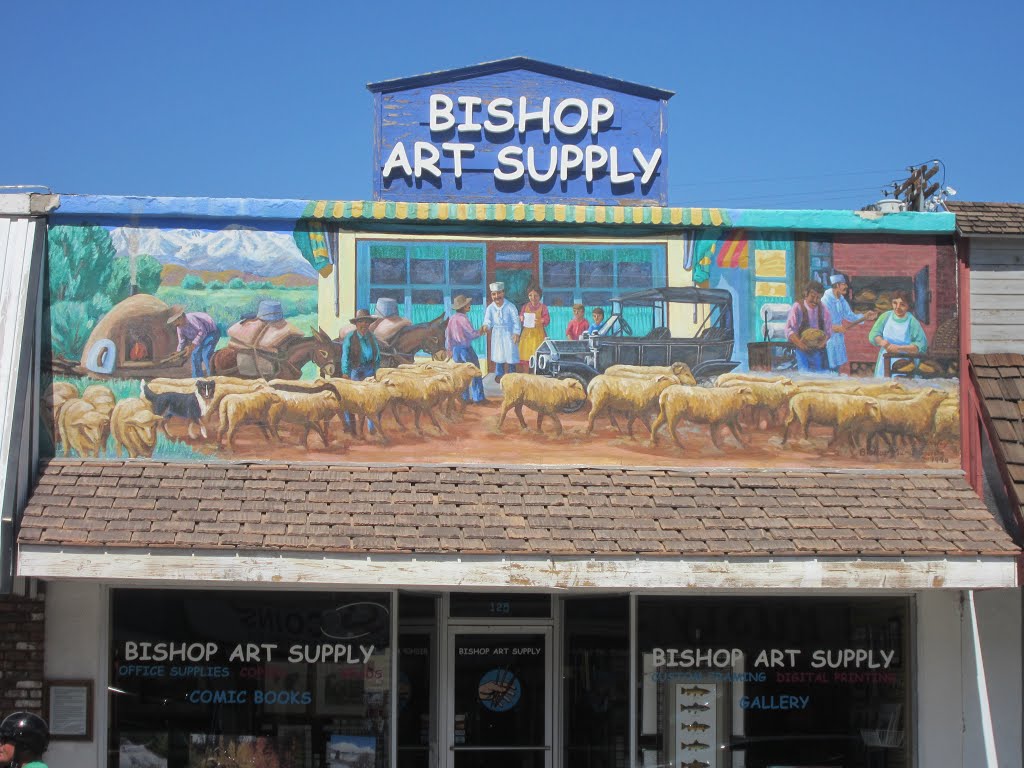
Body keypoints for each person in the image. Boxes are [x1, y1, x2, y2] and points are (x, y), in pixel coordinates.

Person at [820, 274, 877, 375]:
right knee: (828, 364)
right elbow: (820, 322)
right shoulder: (825, 301)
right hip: (827, 337)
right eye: (843, 284)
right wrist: (833, 327)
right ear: (837, 285)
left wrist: (865, 316)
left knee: (836, 365)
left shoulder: (841, 300)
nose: (846, 286)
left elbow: (850, 316)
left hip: (838, 336)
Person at [869, 290, 928, 377]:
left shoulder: (912, 321)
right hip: (885, 360)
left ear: (908, 306)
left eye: (902, 304)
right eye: (895, 303)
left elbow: (921, 345)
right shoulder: (885, 316)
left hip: (906, 361)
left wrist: (899, 348)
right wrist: (881, 342)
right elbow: (873, 334)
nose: (897, 307)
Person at [340, 309, 382, 431]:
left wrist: (376, 371)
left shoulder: (372, 338)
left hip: (369, 370)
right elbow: (345, 356)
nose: (364, 325)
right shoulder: (350, 338)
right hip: (356, 371)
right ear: (356, 324)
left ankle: (371, 428)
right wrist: (345, 372)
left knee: (371, 399)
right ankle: (349, 426)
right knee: (352, 399)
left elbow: (377, 356)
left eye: (366, 322)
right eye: (361, 322)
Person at [784, 281, 833, 373]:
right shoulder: (797, 307)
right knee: (805, 376)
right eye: (812, 296)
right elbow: (789, 330)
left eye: (818, 298)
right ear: (806, 294)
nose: (815, 300)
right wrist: (801, 345)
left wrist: (822, 343)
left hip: (819, 350)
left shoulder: (823, 309)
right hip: (802, 349)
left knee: (822, 377)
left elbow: (828, 331)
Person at [445, 295, 486, 403]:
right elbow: (472, 334)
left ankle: (464, 398)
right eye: (468, 304)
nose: (469, 305)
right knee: (476, 371)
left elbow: (448, 337)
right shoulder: (463, 319)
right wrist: (480, 331)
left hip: (455, 351)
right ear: (463, 307)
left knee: (462, 374)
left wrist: (449, 350)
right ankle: (478, 398)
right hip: (465, 349)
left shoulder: (452, 319)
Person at [480, 282, 521, 383]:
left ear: (503, 293)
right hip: (497, 334)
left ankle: (512, 374)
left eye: (499, 293)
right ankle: (499, 374)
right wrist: (486, 326)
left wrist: (516, 333)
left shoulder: (510, 306)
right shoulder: (490, 308)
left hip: (509, 333)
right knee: (499, 354)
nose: (496, 296)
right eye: (494, 294)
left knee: (510, 354)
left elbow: (516, 321)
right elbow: (488, 320)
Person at [168, 304, 220, 378]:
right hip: (200, 338)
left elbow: (202, 331)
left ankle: (212, 377)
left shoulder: (191, 319)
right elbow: (182, 341)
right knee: (195, 355)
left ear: (180, 317)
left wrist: (192, 346)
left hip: (211, 333)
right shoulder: (179, 327)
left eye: (175, 321)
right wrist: (178, 352)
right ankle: (197, 379)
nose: (174, 324)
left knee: (205, 354)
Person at [517, 285, 550, 372]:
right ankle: (526, 374)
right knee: (526, 355)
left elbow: (547, 320)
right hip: (527, 335)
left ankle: (537, 374)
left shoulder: (543, 307)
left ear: (540, 296)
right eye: (530, 295)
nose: (533, 298)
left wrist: (541, 320)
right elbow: (521, 316)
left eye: (535, 295)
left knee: (537, 355)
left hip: (538, 334)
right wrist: (521, 317)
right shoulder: (525, 306)